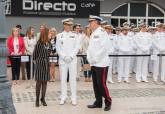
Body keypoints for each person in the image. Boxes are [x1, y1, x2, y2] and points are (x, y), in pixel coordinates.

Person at [87, 15, 112, 111]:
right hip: (94, 63)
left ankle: (108, 101)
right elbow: (90, 48)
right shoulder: (93, 33)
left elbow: (104, 48)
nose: (90, 23)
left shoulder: (102, 32)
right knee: (95, 84)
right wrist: (90, 59)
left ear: (96, 22)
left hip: (101, 64)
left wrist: (95, 59)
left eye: (91, 22)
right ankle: (98, 102)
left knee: (101, 84)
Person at [56, 18, 80, 106]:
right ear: (64, 25)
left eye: (70, 25)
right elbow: (58, 48)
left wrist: (71, 56)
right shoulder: (59, 35)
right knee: (63, 79)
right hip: (63, 61)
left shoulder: (75, 35)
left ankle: (73, 98)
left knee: (72, 80)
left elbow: (77, 47)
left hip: (72, 60)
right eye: (67, 25)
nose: (69, 26)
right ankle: (63, 97)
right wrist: (64, 56)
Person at [33, 27, 50, 107]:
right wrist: (37, 61)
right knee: (39, 82)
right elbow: (35, 54)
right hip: (40, 63)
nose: (50, 34)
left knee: (45, 82)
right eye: (49, 33)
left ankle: (42, 99)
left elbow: (49, 52)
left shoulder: (48, 43)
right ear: (45, 34)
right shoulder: (39, 43)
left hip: (47, 63)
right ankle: (37, 99)